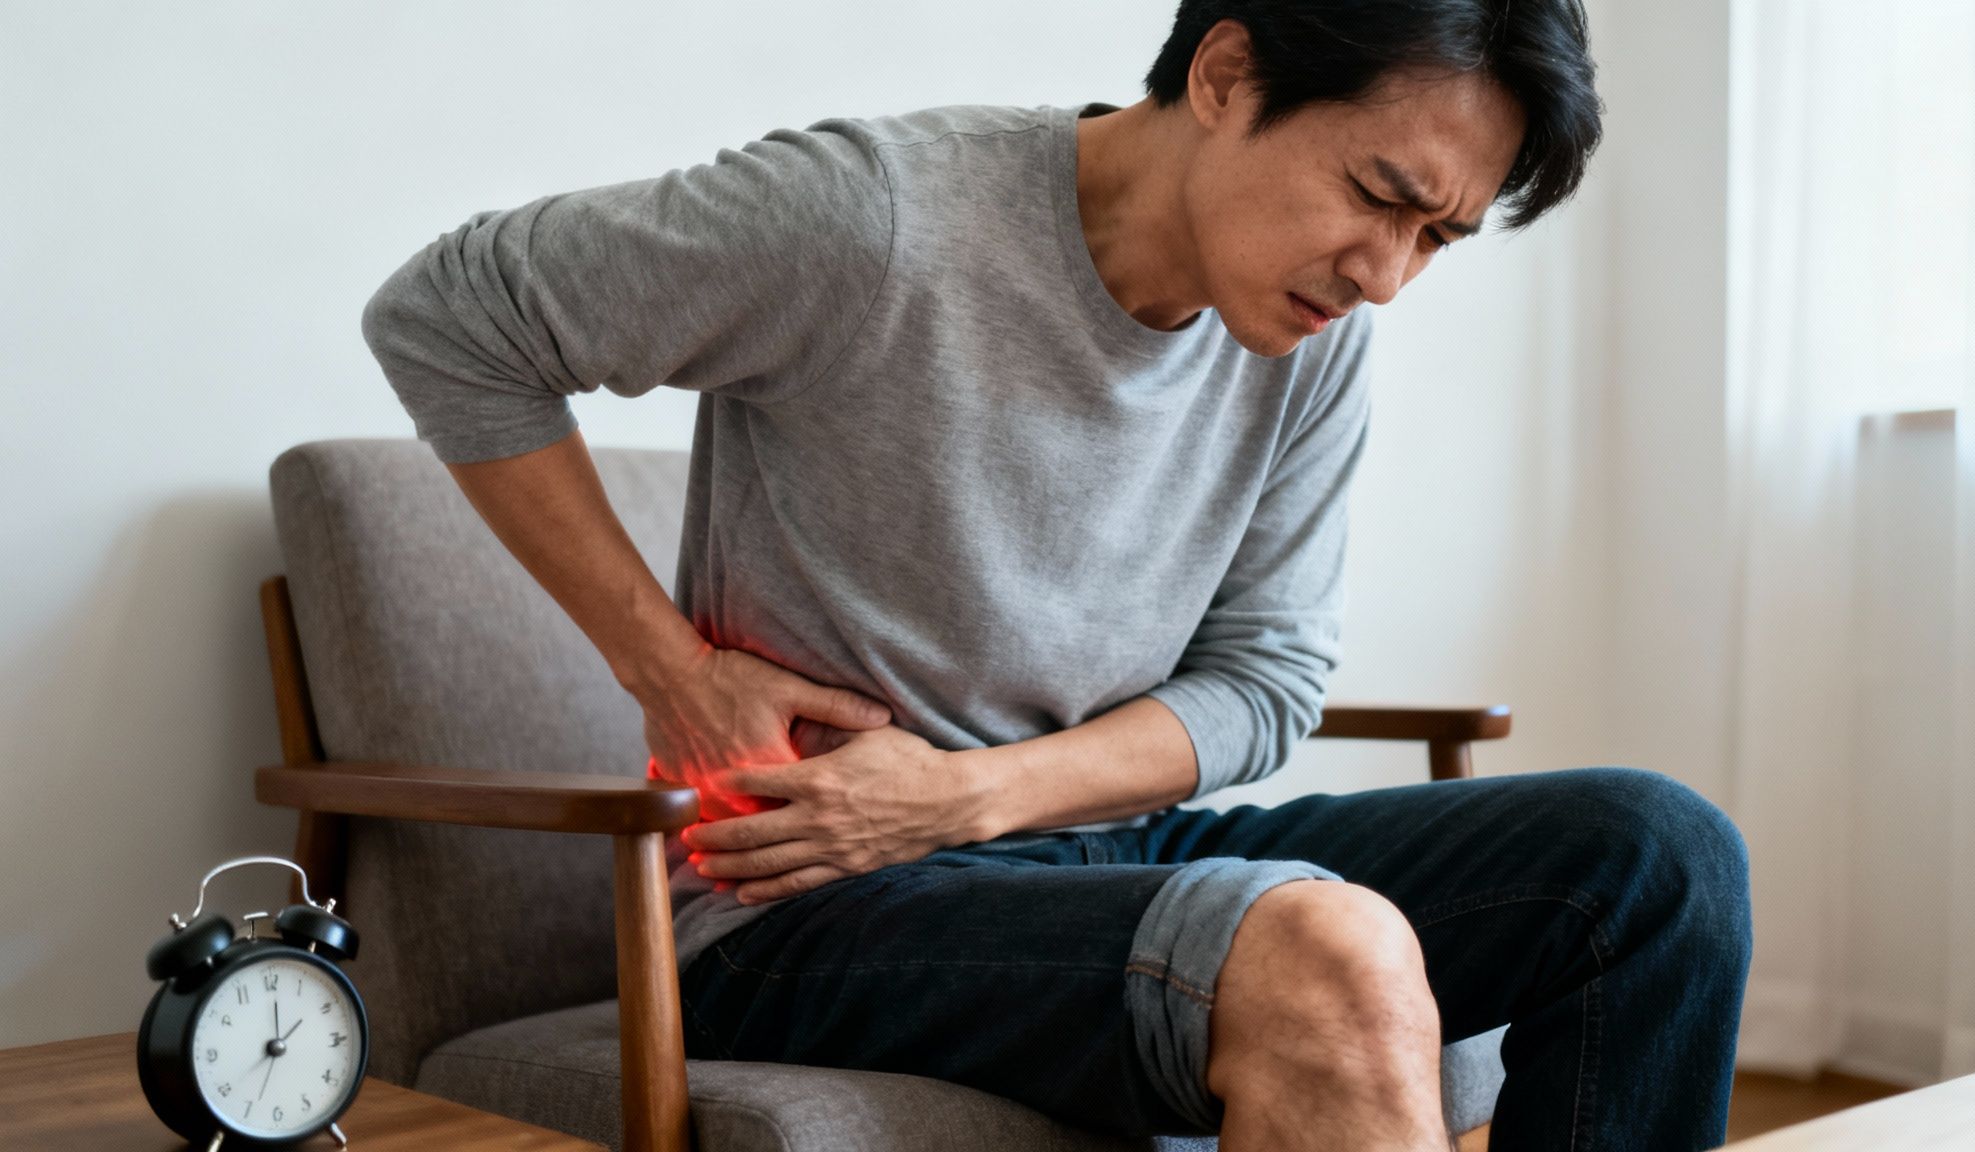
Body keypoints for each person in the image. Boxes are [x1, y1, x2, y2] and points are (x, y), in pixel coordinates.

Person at [360, 1, 1752, 1148]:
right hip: (805, 911)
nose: (1384, 276)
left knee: (1660, 858)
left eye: (1436, 238)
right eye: (1379, 197)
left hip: (1099, 855)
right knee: (1321, 950)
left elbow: (1266, 677)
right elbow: (451, 315)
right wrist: (669, 667)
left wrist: (967, 796)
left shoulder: (1312, 340)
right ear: (1226, 73)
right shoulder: (877, 219)